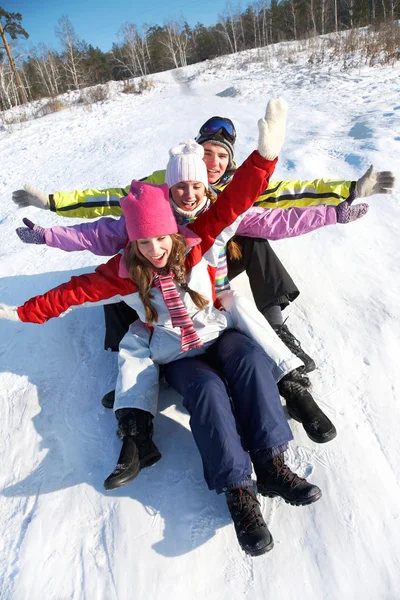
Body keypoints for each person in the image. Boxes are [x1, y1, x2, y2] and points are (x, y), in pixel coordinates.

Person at [2, 100, 323, 556]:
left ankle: (272, 465)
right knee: (208, 391)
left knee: (251, 359)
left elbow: (235, 201)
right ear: (132, 240)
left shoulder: (195, 241)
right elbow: (73, 291)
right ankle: (239, 492)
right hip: (178, 355)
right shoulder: (123, 272)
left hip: (216, 332)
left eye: (160, 238)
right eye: (143, 240)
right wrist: (24, 311)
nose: (154, 248)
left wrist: (264, 157)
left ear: (172, 233)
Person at [12, 117, 394, 368]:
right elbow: (109, 207)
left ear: (230, 164)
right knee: (123, 265)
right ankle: (127, 357)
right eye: (207, 153)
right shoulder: (162, 188)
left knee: (257, 241)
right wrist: (51, 208)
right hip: (161, 267)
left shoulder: (233, 193)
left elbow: (287, 203)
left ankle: (275, 326)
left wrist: (345, 196)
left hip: (211, 269)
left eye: (222, 156)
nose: (213, 163)